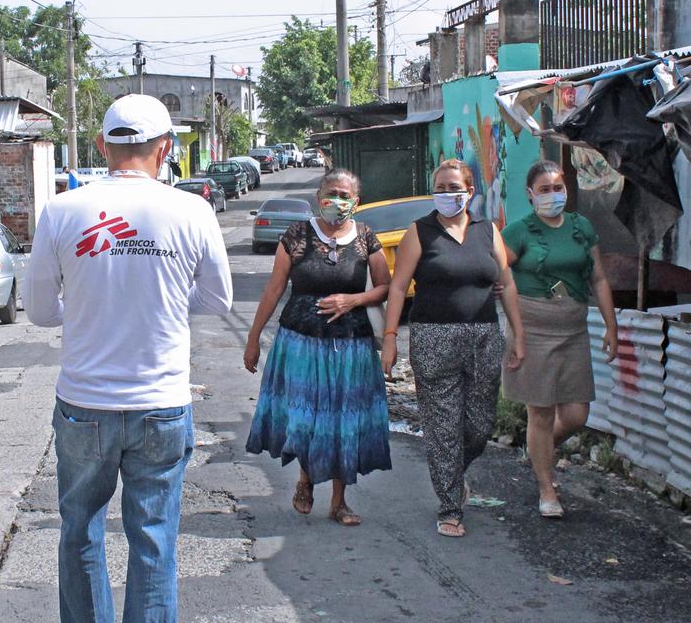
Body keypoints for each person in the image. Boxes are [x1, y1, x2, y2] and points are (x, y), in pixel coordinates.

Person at [23, 94, 233, 623]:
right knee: (154, 537)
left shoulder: (63, 210)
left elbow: (38, 310)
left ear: (102, 145)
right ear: (166, 147)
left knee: (81, 526)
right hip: (161, 402)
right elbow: (217, 298)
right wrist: (161, 306)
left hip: (85, 401)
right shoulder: (191, 210)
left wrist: (86, 310)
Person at [381, 159, 525, 538]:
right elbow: (398, 288)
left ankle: (453, 475)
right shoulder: (420, 232)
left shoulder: (486, 231)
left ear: (470, 190)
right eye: (440, 187)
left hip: (482, 336)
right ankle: (449, 507)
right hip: (433, 337)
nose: (447, 193)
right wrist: (391, 338)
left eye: (453, 187)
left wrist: (518, 335)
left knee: (479, 425)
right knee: (443, 428)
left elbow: (506, 283)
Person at [244, 169, 392, 526]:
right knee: (307, 417)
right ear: (318, 196)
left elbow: (386, 287)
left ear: (356, 202)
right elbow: (275, 289)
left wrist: (351, 300)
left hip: (350, 347)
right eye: (331, 193)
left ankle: (340, 502)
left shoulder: (366, 238)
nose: (337, 200)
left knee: (345, 421)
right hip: (300, 345)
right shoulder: (296, 236)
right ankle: (306, 480)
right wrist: (253, 339)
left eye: (344, 194)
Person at [501, 160, 618, 518]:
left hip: (573, 330)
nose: (554, 195)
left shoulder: (582, 227)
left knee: (576, 413)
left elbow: (597, 279)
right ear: (530, 194)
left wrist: (612, 326)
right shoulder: (520, 231)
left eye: (558, 187)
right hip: (532, 330)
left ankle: (539, 451)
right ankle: (546, 487)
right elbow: (500, 276)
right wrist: (515, 330)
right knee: (540, 412)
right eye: (545, 189)